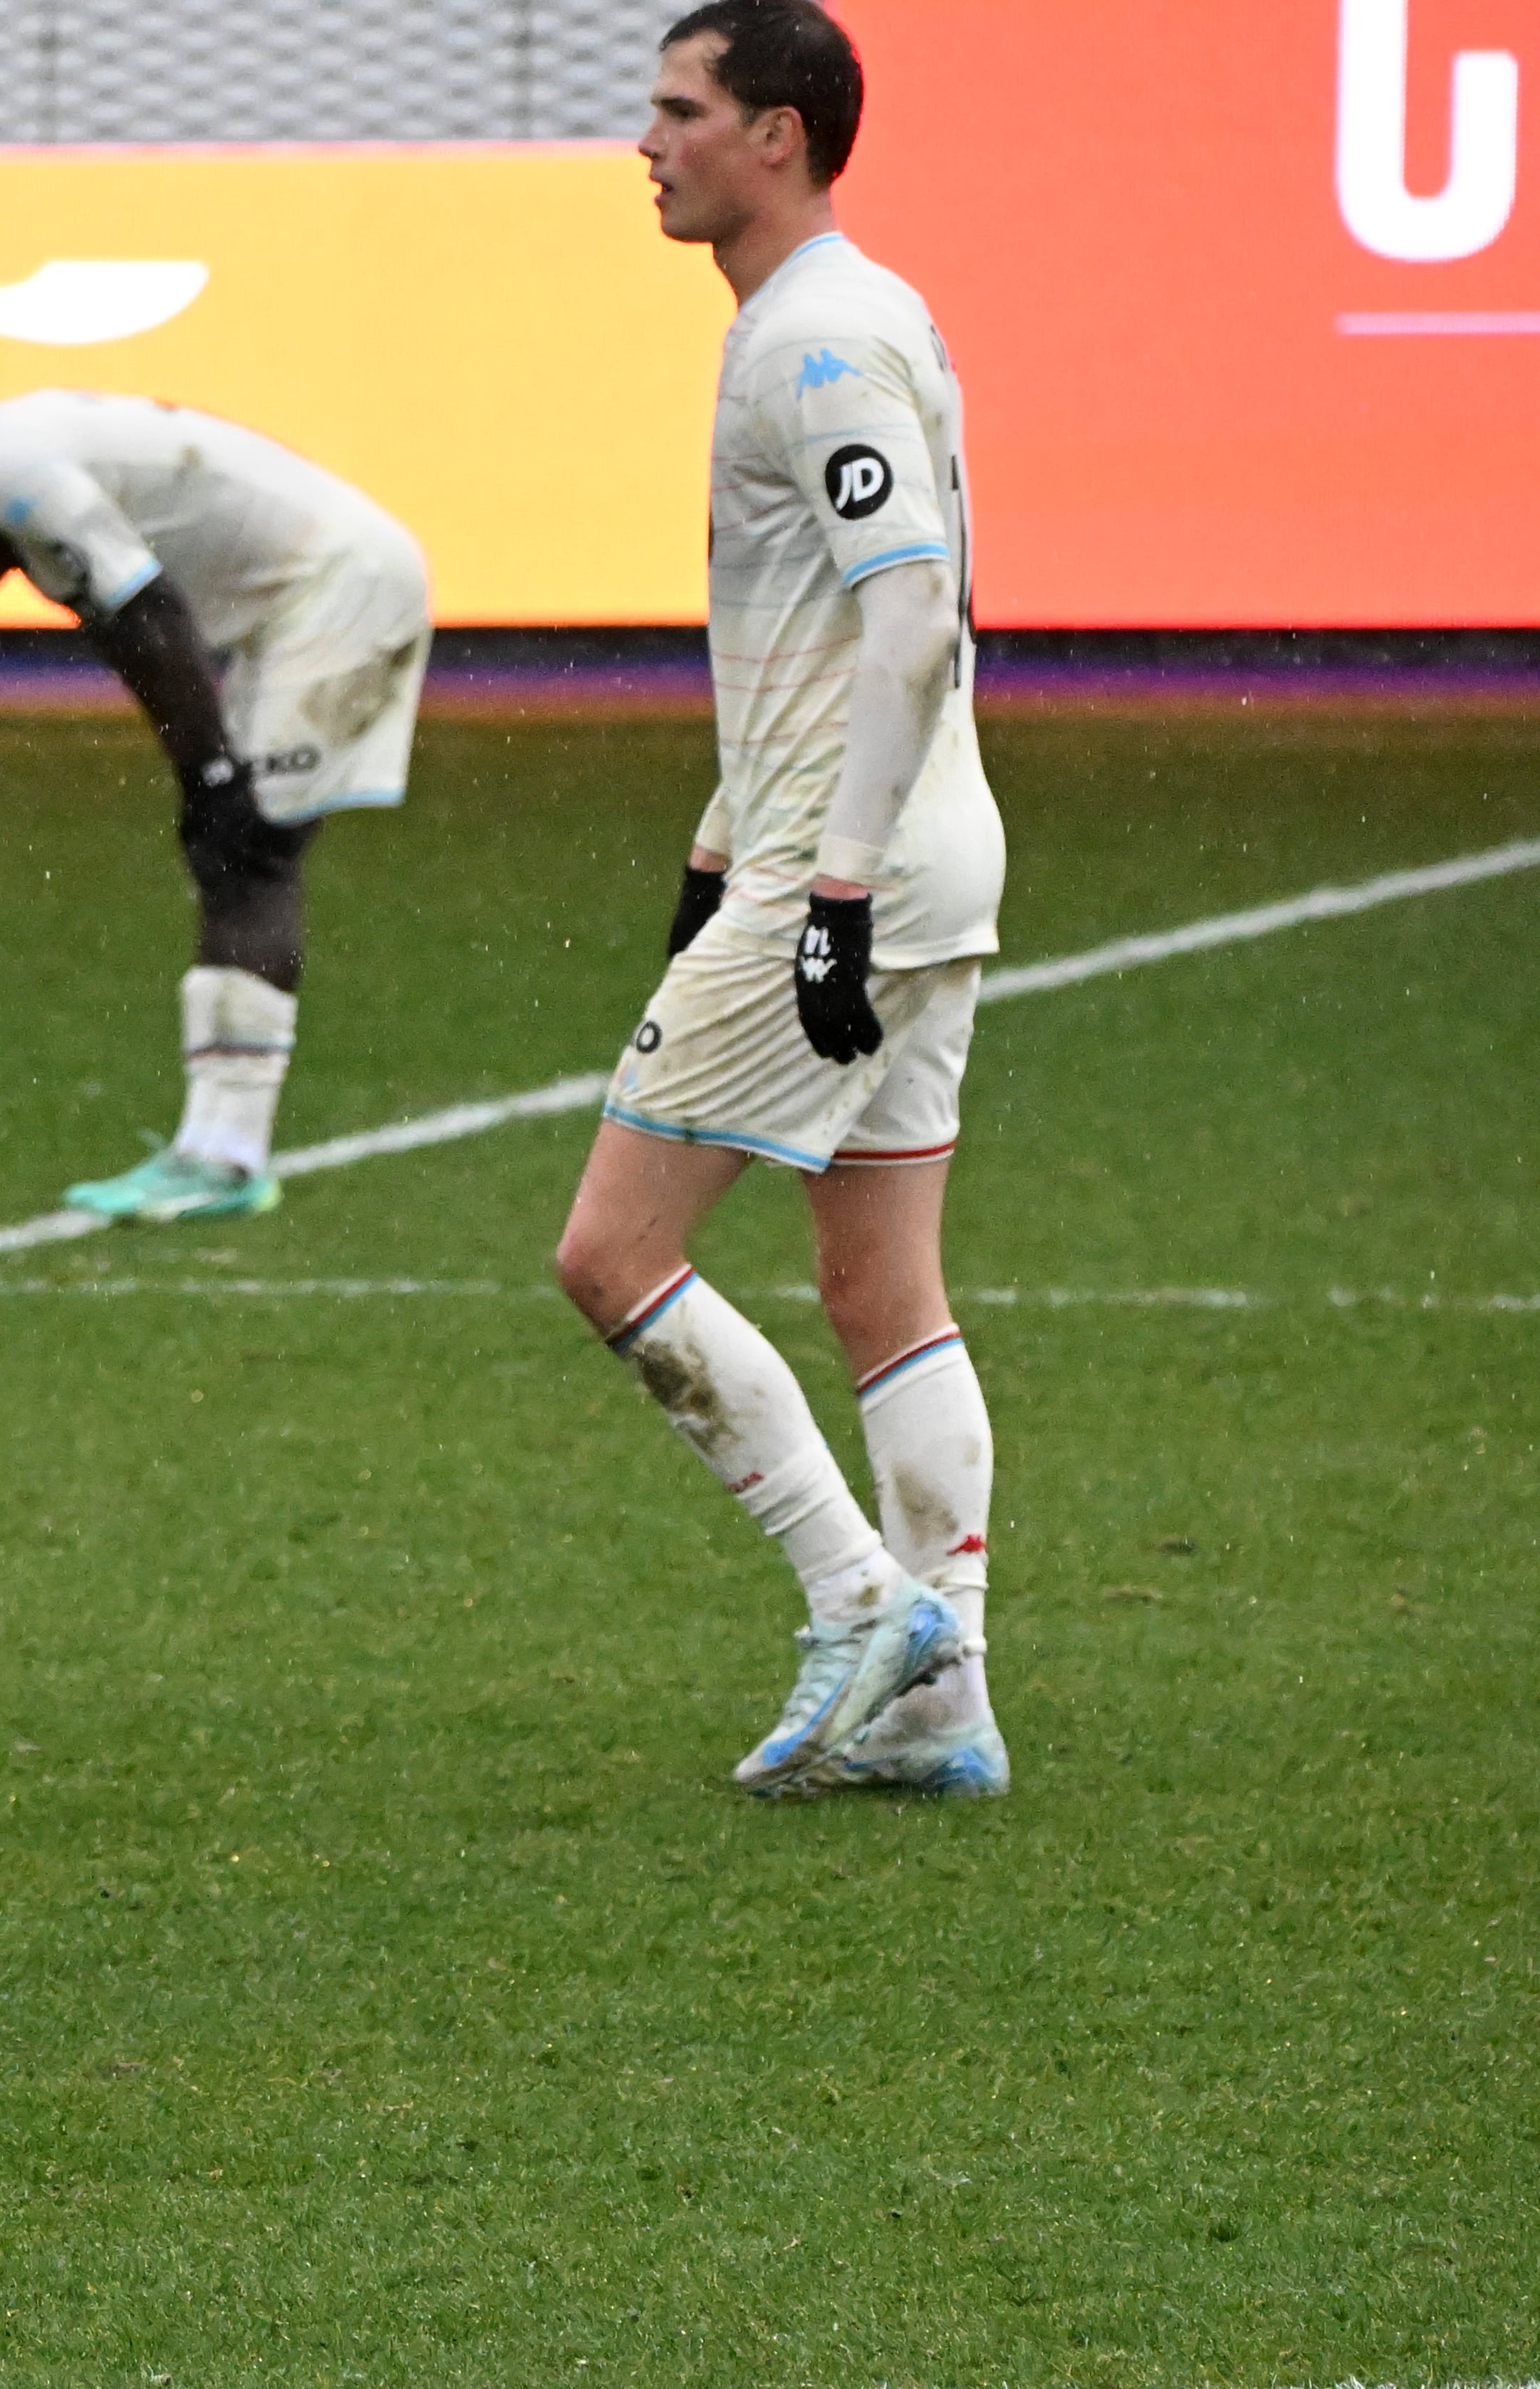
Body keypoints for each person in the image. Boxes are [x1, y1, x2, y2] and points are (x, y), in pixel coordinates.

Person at [548, 0, 1008, 1799]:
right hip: (921, 847)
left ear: (783, 135)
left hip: (865, 862)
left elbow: (911, 614)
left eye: (680, 110)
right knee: (884, 1289)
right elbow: (828, 635)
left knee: (610, 1251)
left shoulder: (812, 342)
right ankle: (945, 1705)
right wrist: (720, 851)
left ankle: (860, 1601)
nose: (646, 142)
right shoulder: (851, 313)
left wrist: (822, 887)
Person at [0, 392, 431, 1223]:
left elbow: (145, 612)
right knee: (230, 845)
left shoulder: (17, 479)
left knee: (247, 850)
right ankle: (217, 1147)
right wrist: (201, 772)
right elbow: (129, 638)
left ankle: (223, 1155)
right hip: (299, 599)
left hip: (339, 588)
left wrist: (214, 778)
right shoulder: (5, 466)